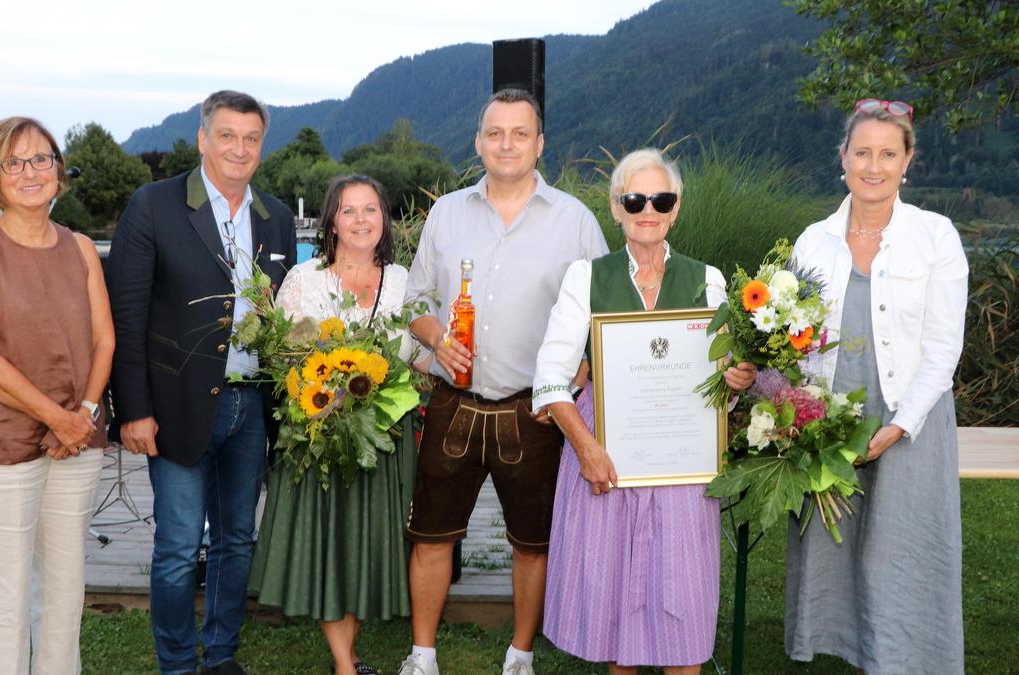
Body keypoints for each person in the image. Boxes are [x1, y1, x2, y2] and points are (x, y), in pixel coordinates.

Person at [399, 88, 609, 675]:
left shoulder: (575, 220)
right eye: (496, 133)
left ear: (540, 144)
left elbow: (602, 317)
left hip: (534, 410)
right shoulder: (447, 213)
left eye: (520, 133)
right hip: (453, 402)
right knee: (432, 534)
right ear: (478, 142)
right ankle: (422, 654)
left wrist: (580, 373)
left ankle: (520, 654)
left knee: (532, 542)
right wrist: (437, 337)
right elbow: (416, 300)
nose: (507, 144)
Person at [531, 148, 755, 675]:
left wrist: (737, 380)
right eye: (635, 199)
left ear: (675, 209)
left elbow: (720, 381)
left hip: (682, 462)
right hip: (604, 454)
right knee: (614, 608)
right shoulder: (587, 277)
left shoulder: (710, 280)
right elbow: (547, 380)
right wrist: (585, 449)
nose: (647, 209)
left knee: (683, 601)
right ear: (616, 208)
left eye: (661, 199)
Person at [106, 90, 297, 675]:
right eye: (227, 135)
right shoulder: (155, 205)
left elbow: (286, 319)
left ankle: (220, 656)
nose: (239, 148)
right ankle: (177, 664)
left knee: (238, 541)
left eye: (251, 138)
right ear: (202, 139)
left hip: (249, 408)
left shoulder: (278, 217)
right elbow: (126, 315)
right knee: (178, 547)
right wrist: (133, 409)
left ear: (262, 146)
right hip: (175, 407)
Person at [786, 99, 968, 673]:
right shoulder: (811, 241)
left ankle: (899, 659)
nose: (874, 165)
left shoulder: (936, 237)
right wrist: (800, 413)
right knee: (833, 557)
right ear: (842, 157)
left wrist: (897, 426)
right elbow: (792, 341)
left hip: (910, 427)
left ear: (908, 160)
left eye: (888, 153)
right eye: (862, 151)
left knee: (902, 557)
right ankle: (849, 651)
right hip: (828, 427)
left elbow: (943, 350)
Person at [0, 116, 113, 674]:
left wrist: (82, 416)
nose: (30, 171)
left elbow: (104, 340)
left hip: (77, 442)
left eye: (41, 159)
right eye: (14, 162)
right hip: (0, 445)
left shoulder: (82, 248)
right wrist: (57, 418)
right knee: (2, 596)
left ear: (59, 171)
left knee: (65, 593)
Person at [250, 175, 423, 675]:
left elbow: (416, 357)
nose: (361, 220)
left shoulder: (404, 280)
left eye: (371, 209)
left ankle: (348, 659)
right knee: (326, 543)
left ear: (384, 220)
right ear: (331, 221)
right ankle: (346, 665)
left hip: (382, 438)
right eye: (349, 211)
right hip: (318, 437)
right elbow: (282, 361)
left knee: (362, 544)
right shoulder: (304, 281)